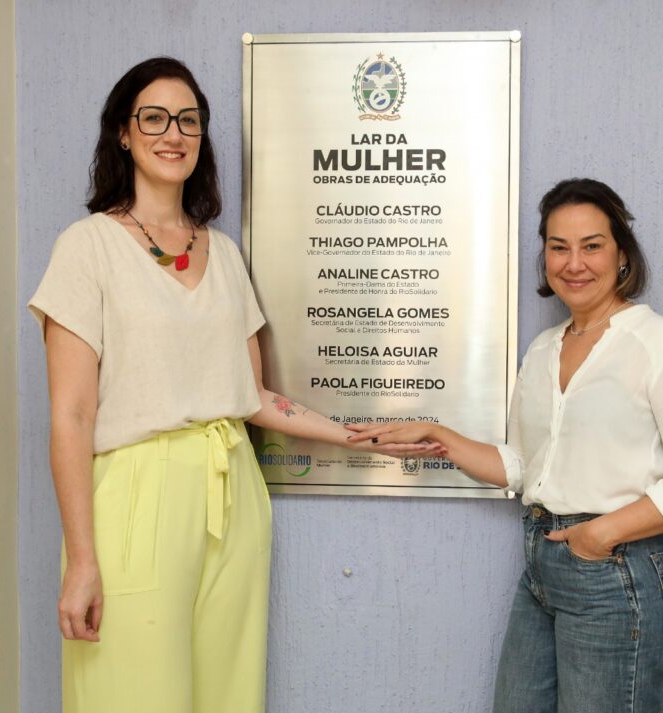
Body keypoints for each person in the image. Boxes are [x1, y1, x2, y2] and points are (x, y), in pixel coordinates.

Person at [28, 56, 437, 713]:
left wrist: (362, 437)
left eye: (188, 120)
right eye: (154, 118)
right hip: (138, 490)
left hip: (232, 490)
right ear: (123, 134)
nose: (174, 133)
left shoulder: (222, 254)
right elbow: (71, 415)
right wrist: (81, 559)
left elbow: (252, 395)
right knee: (130, 694)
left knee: (229, 693)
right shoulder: (87, 246)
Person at [347, 178, 663, 713]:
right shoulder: (545, 348)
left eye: (592, 246)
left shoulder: (660, 344)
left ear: (622, 254)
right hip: (543, 567)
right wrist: (438, 434)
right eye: (558, 247)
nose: (574, 263)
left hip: (618, 574)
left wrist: (597, 536)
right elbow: (526, 468)